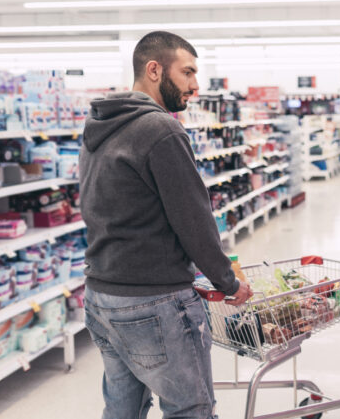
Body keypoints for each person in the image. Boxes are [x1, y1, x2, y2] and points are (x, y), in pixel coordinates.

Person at [80, 31, 253, 419]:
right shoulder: (161, 129)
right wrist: (228, 282)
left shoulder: (97, 126)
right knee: (190, 410)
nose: (195, 84)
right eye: (188, 72)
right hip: (154, 301)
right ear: (154, 70)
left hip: (102, 296)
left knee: (123, 410)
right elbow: (194, 220)